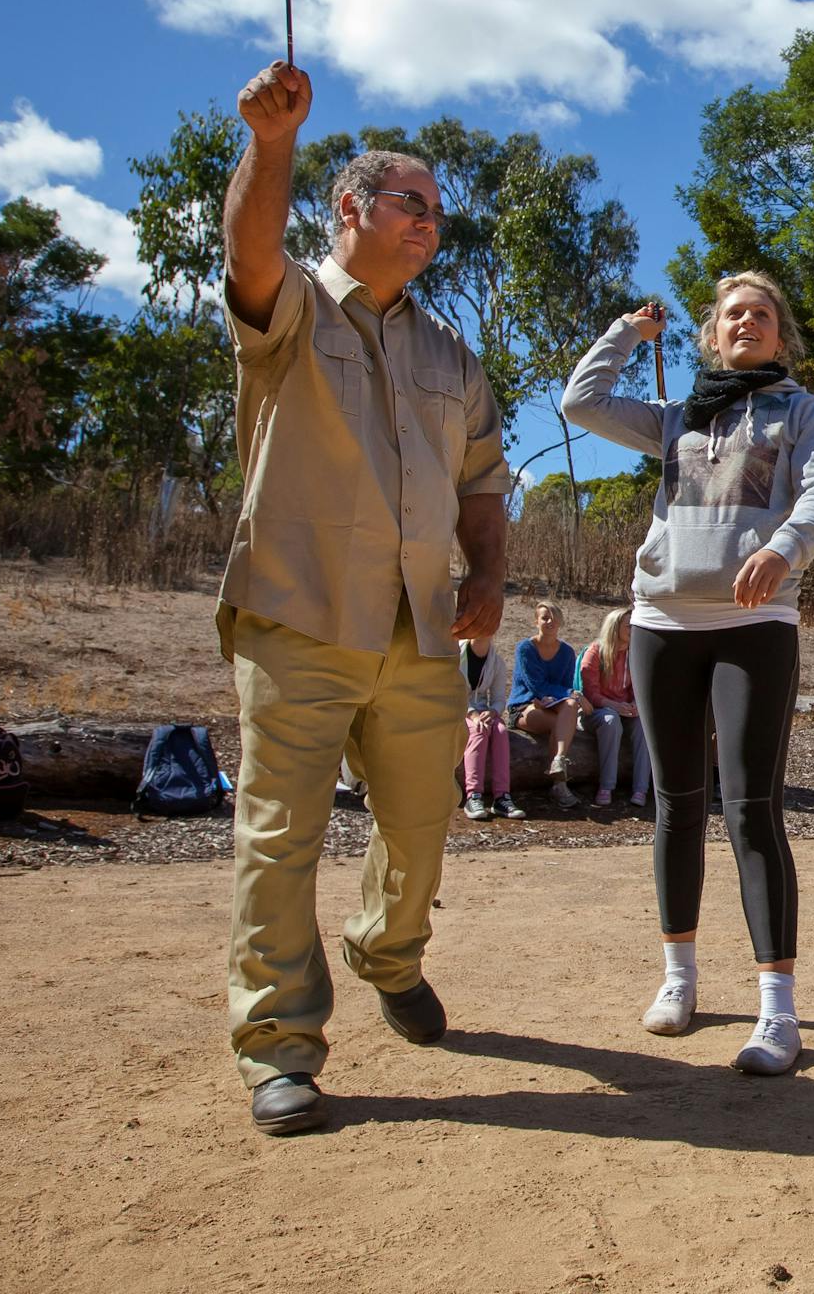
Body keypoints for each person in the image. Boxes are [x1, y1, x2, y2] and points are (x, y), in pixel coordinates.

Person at [217, 60, 508, 1136]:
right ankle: (280, 1046)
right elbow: (248, 250)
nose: (432, 223)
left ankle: (387, 952)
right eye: (413, 205)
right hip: (297, 614)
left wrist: (487, 574)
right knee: (280, 839)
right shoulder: (290, 305)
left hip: (418, 630)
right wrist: (273, 143)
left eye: (437, 211)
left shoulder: (451, 356)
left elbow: (482, 475)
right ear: (352, 208)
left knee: (424, 823)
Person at [561, 272, 814, 1075]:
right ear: (711, 336)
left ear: (778, 335)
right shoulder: (677, 418)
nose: (746, 322)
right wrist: (624, 334)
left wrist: (785, 548)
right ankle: (679, 980)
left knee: (753, 810)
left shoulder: (803, 412)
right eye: (731, 315)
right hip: (661, 625)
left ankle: (777, 1013)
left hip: (757, 624)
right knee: (678, 808)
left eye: (761, 314)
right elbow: (580, 403)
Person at [507, 601, 590, 809]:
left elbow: (564, 685)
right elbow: (535, 685)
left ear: (560, 622)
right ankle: (560, 785)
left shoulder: (567, 652)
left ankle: (559, 762)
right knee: (565, 715)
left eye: (554, 618)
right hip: (526, 706)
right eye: (545, 617)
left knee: (570, 705)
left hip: (554, 705)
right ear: (536, 621)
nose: (550, 621)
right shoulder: (525, 648)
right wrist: (570, 694)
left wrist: (568, 696)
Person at [582, 606, 651, 807]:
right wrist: (614, 705)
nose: (632, 629)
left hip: (625, 710)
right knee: (611, 722)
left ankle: (641, 789)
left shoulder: (636, 653)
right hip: (598, 711)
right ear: (614, 627)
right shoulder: (595, 652)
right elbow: (590, 693)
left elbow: (641, 686)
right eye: (628, 625)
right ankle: (606, 786)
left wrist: (636, 705)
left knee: (642, 725)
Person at [461, 633, 523, 821]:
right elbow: (449, 691)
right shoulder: (455, 654)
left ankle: (502, 797)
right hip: (455, 709)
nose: (480, 632)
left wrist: (493, 712)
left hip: (481, 710)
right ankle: (473, 795)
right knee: (478, 730)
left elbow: (498, 699)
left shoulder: (496, 662)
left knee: (501, 730)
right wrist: (472, 714)